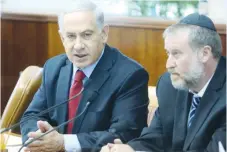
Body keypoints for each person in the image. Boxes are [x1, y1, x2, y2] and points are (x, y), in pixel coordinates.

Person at [20, 1, 149, 151]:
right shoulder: (54, 67)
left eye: (86, 35)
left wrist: (63, 143)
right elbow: (31, 115)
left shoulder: (130, 75)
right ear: (62, 38)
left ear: (104, 34)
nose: (78, 45)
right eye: (71, 36)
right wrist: (38, 139)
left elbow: (124, 134)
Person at [101, 13, 226, 152]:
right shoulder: (169, 85)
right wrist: (131, 149)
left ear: (205, 54)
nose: (168, 64)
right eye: (168, 53)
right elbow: (156, 137)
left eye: (176, 54)